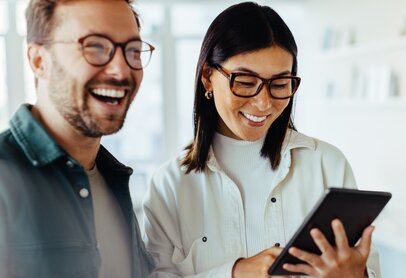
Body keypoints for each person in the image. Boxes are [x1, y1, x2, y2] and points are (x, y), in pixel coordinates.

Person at [143, 2, 381, 277]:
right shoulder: (169, 186)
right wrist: (235, 273)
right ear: (208, 77)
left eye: (280, 84)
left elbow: (367, 268)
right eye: (245, 81)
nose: (263, 103)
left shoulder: (327, 164)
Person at [0, 0, 155, 277]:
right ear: (39, 61)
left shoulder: (112, 177)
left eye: (132, 50)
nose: (121, 71)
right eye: (95, 47)